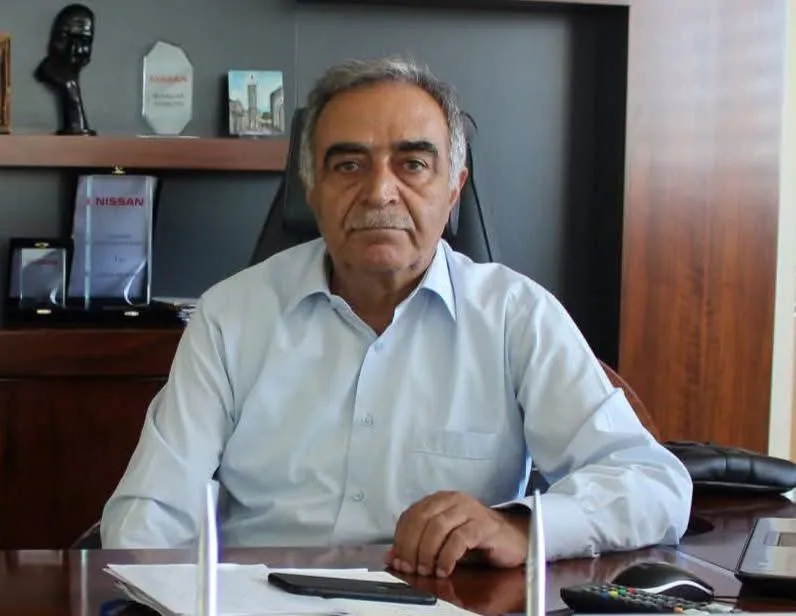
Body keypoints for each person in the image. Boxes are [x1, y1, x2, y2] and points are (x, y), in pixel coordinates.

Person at [101, 56, 692, 577]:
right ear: (311, 187)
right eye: (348, 165)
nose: (379, 192)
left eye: (412, 164)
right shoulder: (231, 315)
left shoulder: (517, 316)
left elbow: (653, 484)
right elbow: (149, 515)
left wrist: (522, 525)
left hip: (443, 600)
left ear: (453, 189)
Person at [34, 3, 96, 135]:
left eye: (84, 41)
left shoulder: (70, 84)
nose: (75, 49)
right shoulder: (50, 73)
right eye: (66, 37)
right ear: (53, 40)